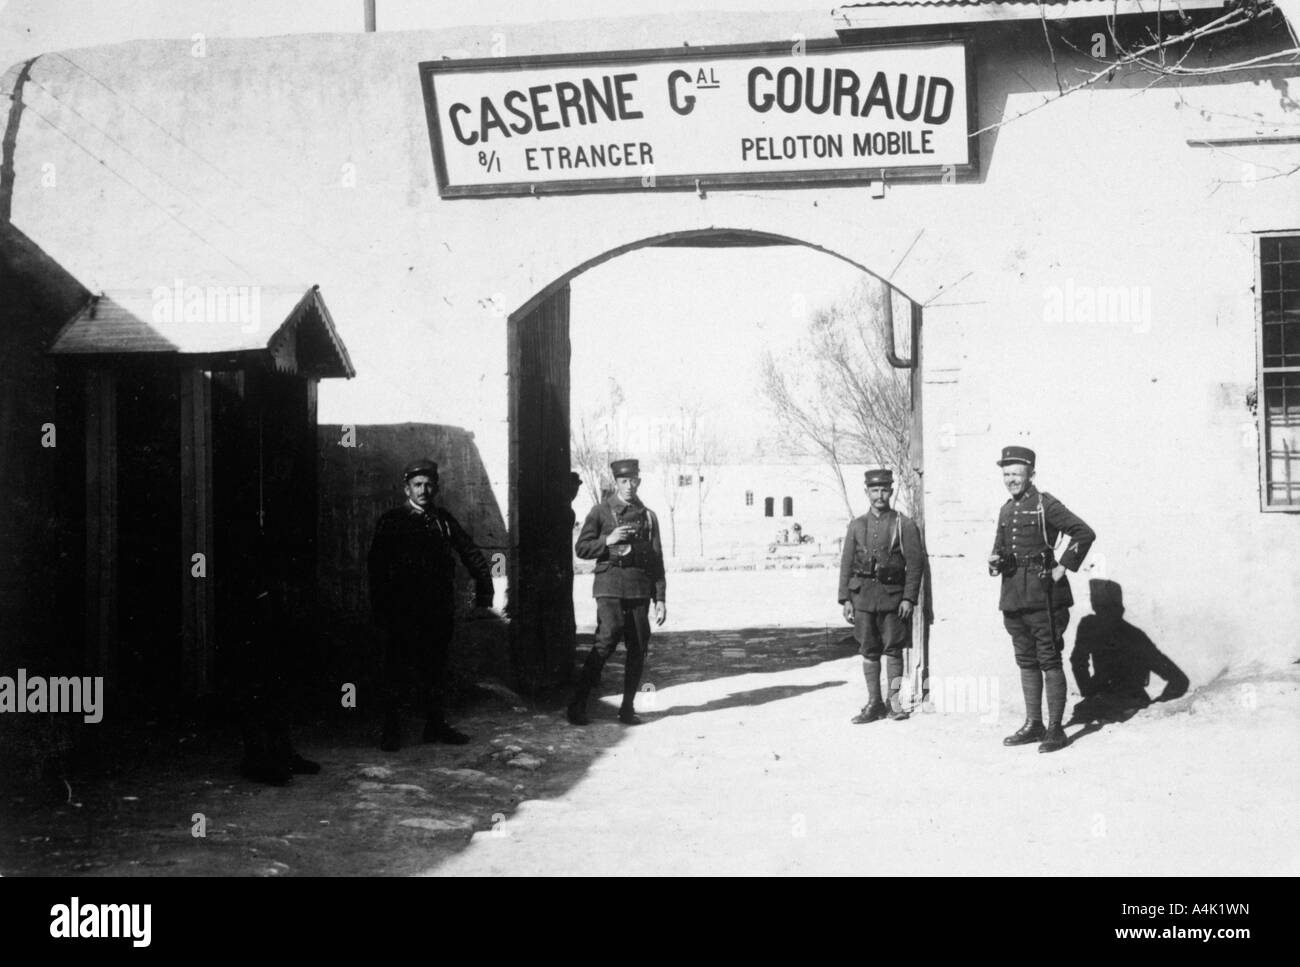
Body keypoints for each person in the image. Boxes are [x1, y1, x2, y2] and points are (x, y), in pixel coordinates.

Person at [367, 458, 495, 751]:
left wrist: (484, 588)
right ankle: (391, 730)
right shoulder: (392, 521)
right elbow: (376, 567)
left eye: (428, 485)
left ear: (435, 487)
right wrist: (381, 608)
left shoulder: (443, 520)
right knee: (397, 670)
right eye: (417, 485)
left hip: (437, 610)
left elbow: (470, 551)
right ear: (406, 489)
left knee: (436, 670)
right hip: (402, 611)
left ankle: (435, 726)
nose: (423, 490)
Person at [988, 446, 1095, 754]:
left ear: (1030, 474)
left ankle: (1055, 729)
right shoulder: (1006, 510)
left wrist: (1063, 567)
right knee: (1025, 659)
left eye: (1016, 474)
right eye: (1006, 474)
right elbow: (998, 547)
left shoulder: (1045, 505)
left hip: (1045, 595)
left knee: (1048, 658)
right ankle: (1034, 723)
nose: (1011, 480)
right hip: (1013, 596)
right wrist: (995, 561)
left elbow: (1083, 532)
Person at [566, 458, 666, 726]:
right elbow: (582, 548)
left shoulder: (648, 516)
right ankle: (577, 705)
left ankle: (627, 708)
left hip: (638, 588)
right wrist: (606, 541)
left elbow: (657, 559)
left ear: (639, 481)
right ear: (616, 482)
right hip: (609, 586)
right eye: (623, 481)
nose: (629, 485)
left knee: (638, 647)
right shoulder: (601, 512)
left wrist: (660, 598)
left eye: (633, 480)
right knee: (606, 641)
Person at [838, 468, 924, 723]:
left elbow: (915, 565)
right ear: (867, 492)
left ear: (891, 491)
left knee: (894, 649)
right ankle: (874, 702)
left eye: (884, 490)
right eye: (874, 490)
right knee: (868, 650)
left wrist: (908, 598)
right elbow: (846, 563)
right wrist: (845, 599)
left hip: (892, 599)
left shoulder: (903, 524)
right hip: (862, 598)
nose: (879, 495)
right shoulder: (856, 526)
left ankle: (894, 702)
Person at [1069, 579, 1188, 725]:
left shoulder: (1090, 627)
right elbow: (1179, 680)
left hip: (1116, 702)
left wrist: (1088, 691)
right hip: (1123, 701)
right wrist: (1159, 701)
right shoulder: (1135, 635)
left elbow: (1077, 660)